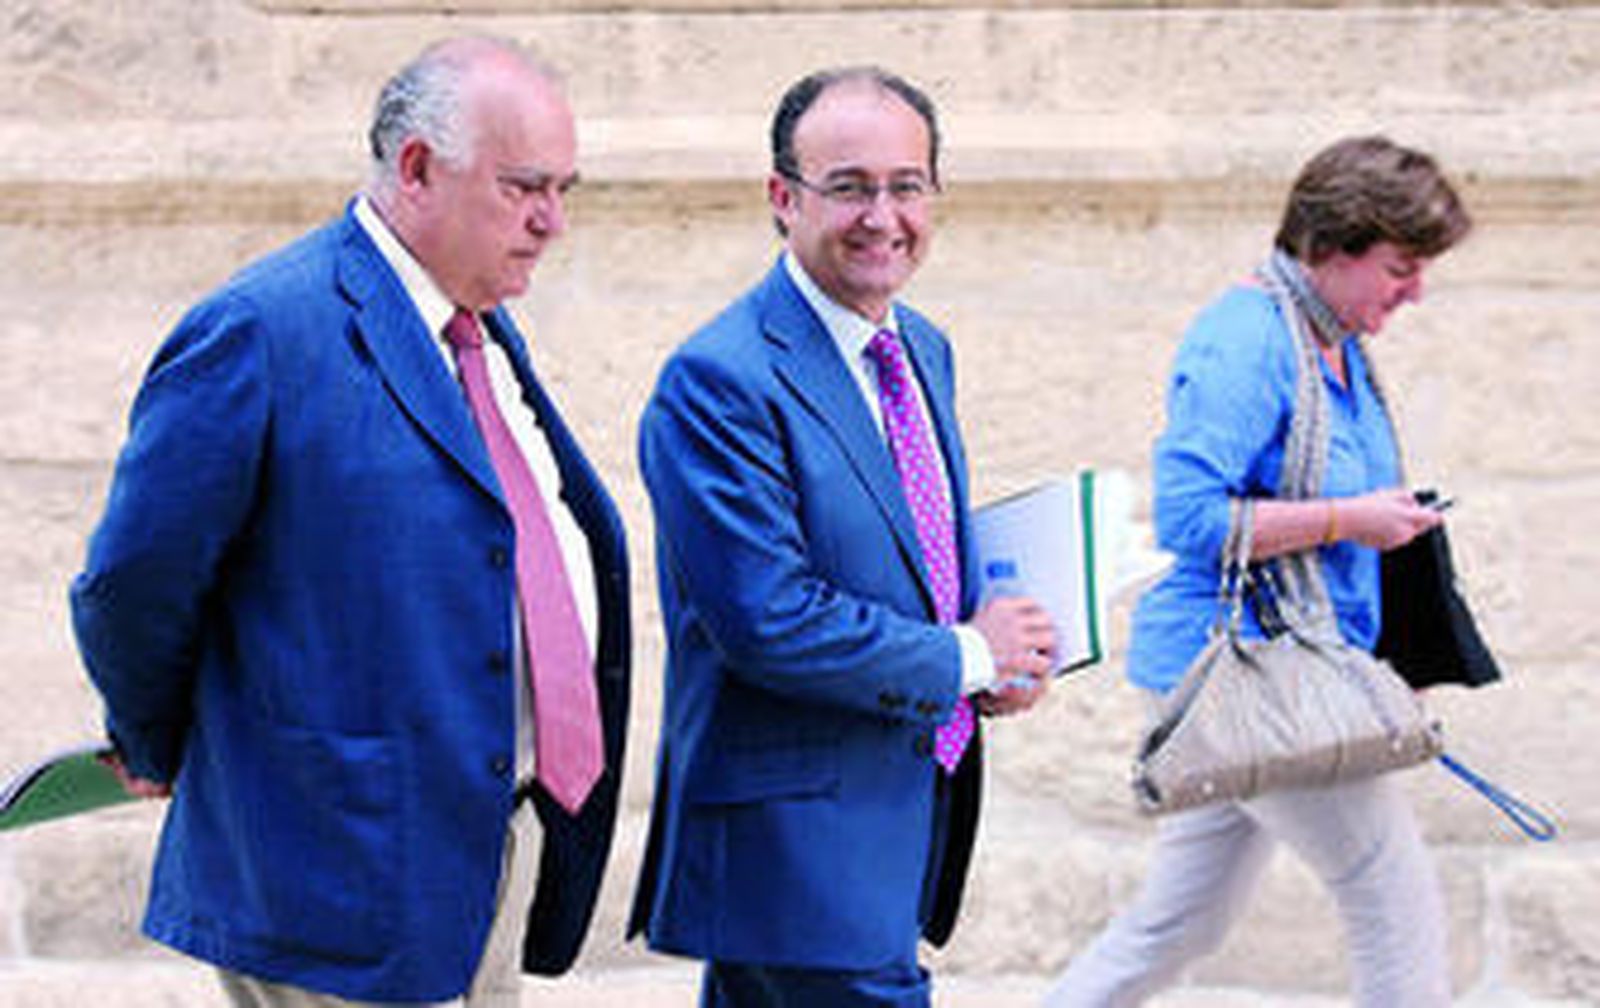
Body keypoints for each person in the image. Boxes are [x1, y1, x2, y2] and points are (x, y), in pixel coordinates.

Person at [69, 36, 631, 1007]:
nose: (552, 223)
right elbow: (133, 584)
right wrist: (160, 746)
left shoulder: (478, 330)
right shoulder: (260, 328)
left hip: (487, 850)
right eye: (524, 187)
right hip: (332, 870)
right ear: (416, 167)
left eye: (564, 190)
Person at [626, 66, 1060, 1008]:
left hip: (896, 818)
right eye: (849, 187)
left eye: (906, 186)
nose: (883, 215)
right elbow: (769, 619)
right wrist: (966, 655)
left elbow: (905, 564)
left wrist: (987, 661)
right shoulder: (720, 378)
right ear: (783, 198)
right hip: (795, 845)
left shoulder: (922, 348)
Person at [1043, 135, 1473, 1007]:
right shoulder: (1247, 343)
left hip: (1273, 668)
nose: (1416, 289)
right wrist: (1351, 519)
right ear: (1332, 245)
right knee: (1397, 905)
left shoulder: (1331, 342)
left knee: (1179, 923)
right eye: (1400, 266)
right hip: (1246, 675)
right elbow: (1191, 518)